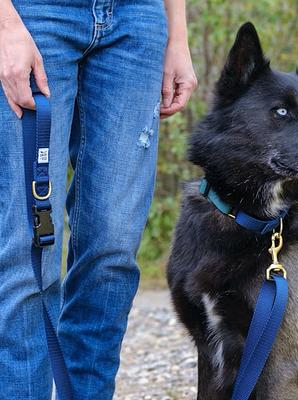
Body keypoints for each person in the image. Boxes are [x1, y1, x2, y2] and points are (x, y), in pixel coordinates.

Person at [0, 0, 197, 398]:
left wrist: (178, 35)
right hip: (33, 15)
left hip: (137, 19)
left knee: (113, 250)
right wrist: (4, 22)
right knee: (28, 252)